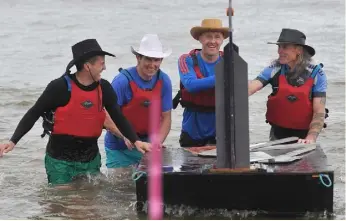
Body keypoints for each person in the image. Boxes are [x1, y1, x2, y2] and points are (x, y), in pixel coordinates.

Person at [0, 39, 151, 187]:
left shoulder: (104, 88)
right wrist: (13, 141)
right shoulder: (59, 87)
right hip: (60, 160)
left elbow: (118, 117)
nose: (104, 68)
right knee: (63, 204)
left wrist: (136, 141)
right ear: (87, 66)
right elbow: (34, 113)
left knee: (89, 204)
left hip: (90, 159)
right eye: (101, 63)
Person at [103, 34, 172, 169]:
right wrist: (126, 136)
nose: (152, 65)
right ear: (138, 58)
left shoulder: (164, 81)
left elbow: (166, 118)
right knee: (121, 187)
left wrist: (157, 141)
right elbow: (106, 117)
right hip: (120, 147)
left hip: (148, 146)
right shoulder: (121, 81)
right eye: (148, 59)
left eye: (156, 60)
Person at [248, 28, 328, 144]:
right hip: (277, 134)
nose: (279, 51)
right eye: (279, 47)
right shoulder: (273, 69)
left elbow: (319, 111)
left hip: (305, 136)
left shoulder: (317, 74)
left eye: (284, 47)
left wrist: (311, 137)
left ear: (299, 50)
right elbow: (251, 88)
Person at [173, 18, 230, 147]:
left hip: (220, 131)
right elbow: (191, 85)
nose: (213, 41)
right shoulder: (186, 60)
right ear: (200, 38)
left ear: (222, 40)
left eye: (217, 37)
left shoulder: (230, 60)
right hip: (192, 132)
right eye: (208, 37)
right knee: (190, 167)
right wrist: (222, 76)